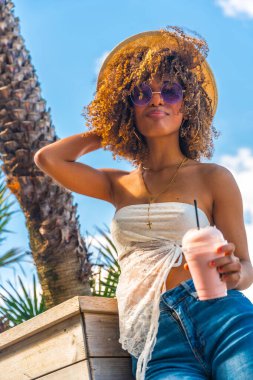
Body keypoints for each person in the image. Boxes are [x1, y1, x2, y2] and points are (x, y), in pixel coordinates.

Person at [34, 26, 253, 380]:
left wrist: (235, 271)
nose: (156, 100)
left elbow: (245, 268)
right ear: (128, 107)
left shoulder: (214, 177)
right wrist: (111, 124)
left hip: (221, 316)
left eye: (170, 91)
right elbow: (49, 159)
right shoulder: (116, 184)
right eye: (141, 94)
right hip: (155, 336)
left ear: (188, 106)